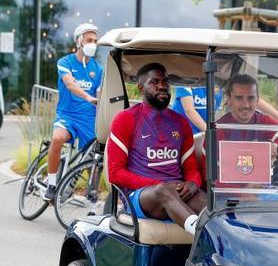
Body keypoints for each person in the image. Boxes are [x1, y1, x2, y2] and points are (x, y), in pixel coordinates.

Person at [106, 63, 206, 235]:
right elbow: (115, 173)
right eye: (154, 82)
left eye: (165, 82)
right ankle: (201, 234)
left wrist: (193, 183)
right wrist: (160, 184)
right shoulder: (125, 119)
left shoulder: (180, 123)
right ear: (140, 88)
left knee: (206, 200)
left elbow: (191, 169)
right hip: (141, 198)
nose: (162, 86)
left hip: (176, 193)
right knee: (163, 190)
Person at [43, 23, 103, 201]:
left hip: (88, 119)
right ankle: (52, 183)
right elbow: (70, 84)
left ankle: (88, 189)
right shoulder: (65, 62)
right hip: (68, 115)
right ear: (79, 41)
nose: (93, 43)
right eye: (89, 40)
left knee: (98, 155)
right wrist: (88, 97)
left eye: (95, 40)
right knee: (57, 139)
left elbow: (99, 95)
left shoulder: (98, 69)